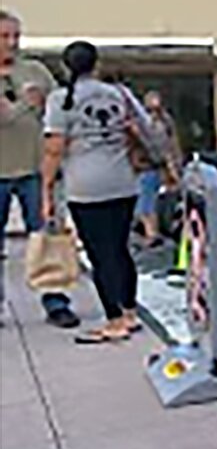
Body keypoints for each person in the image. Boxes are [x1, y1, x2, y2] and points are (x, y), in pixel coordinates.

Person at [42, 41, 155, 343]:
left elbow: (54, 149)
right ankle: (129, 312)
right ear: (97, 64)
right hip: (122, 181)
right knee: (120, 250)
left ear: (66, 68)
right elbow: (145, 129)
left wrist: (47, 191)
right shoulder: (120, 93)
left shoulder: (60, 99)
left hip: (84, 186)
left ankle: (114, 319)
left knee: (99, 255)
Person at [0, 10, 79, 329]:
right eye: (4, 37)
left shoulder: (34, 70)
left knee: (47, 236)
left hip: (36, 170)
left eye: (15, 36)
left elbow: (63, 107)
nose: (12, 43)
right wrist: (22, 105)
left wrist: (46, 102)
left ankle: (56, 302)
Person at [136, 90, 180, 247]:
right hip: (151, 166)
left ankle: (152, 233)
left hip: (150, 167)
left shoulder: (156, 123)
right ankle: (152, 232)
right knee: (147, 203)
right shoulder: (161, 122)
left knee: (147, 203)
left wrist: (172, 167)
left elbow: (166, 147)